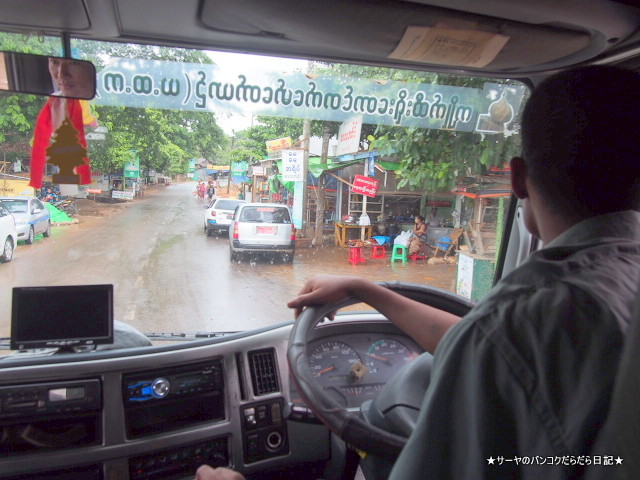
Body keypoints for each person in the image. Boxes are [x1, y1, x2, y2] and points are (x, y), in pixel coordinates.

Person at [194, 66, 640, 479]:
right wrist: (368, 290)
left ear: (518, 180)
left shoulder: (520, 321)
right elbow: (482, 344)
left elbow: (492, 346)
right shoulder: (550, 316)